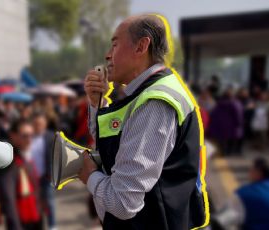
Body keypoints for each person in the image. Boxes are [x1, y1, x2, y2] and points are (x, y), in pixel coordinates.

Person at [79, 14, 207, 229]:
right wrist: (97, 103)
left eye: (115, 45)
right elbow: (114, 140)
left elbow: (123, 203)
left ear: (141, 46)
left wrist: (89, 175)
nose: (107, 55)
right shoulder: (145, 94)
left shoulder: (154, 102)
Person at [0, 120, 43, 230]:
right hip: (21, 223)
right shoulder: (8, 162)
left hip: (34, 218)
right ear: (13, 136)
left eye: (31, 135)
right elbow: (8, 199)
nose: (29, 140)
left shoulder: (24, 155)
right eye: (25, 136)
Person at [30, 113, 56, 230]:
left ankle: (52, 226)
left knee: (49, 202)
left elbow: (55, 157)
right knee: (34, 203)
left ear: (45, 124)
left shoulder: (51, 137)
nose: (37, 126)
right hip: (31, 177)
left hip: (46, 177)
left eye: (40, 124)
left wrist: (52, 174)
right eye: (35, 124)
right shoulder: (28, 137)